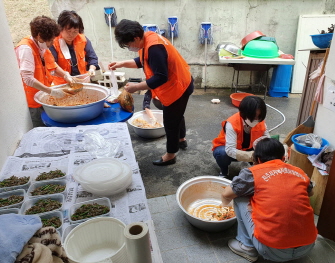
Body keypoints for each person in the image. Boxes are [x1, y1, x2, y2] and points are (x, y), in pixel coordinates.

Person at [108, 19, 194, 165]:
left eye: (128, 45)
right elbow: (142, 60)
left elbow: (161, 77)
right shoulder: (147, 38)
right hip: (179, 82)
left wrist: (136, 87)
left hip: (178, 86)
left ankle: (170, 155)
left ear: (135, 38)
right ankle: (181, 140)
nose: (129, 48)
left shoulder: (154, 47)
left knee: (170, 122)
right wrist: (122, 63)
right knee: (176, 114)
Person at [220, 138, 317, 262]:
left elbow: (226, 194)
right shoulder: (299, 172)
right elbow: (311, 192)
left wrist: (224, 206)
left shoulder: (252, 173)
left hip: (273, 251)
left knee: (240, 195)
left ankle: (247, 247)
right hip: (308, 246)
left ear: (258, 159)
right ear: (283, 158)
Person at [15, 16, 74, 127]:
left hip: (43, 95)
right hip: (32, 101)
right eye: (50, 40)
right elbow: (27, 78)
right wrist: (50, 91)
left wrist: (65, 75)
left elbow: (53, 66)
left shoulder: (42, 46)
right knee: (40, 128)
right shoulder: (26, 49)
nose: (52, 43)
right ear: (39, 36)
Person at [212, 96, 269, 178]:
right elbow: (230, 150)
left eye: (259, 117)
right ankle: (224, 171)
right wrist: (252, 156)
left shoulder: (261, 121)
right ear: (243, 114)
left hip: (250, 148)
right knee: (221, 154)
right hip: (229, 151)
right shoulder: (232, 123)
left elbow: (266, 139)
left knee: (266, 152)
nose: (257, 120)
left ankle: (257, 171)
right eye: (254, 117)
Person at [49, 10, 99, 85]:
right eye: (68, 31)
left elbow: (92, 57)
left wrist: (92, 69)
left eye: (75, 31)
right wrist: (65, 75)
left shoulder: (83, 39)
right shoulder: (53, 42)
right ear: (60, 28)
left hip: (82, 80)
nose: (71, 35)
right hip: (62, 83)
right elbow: (51, 65)